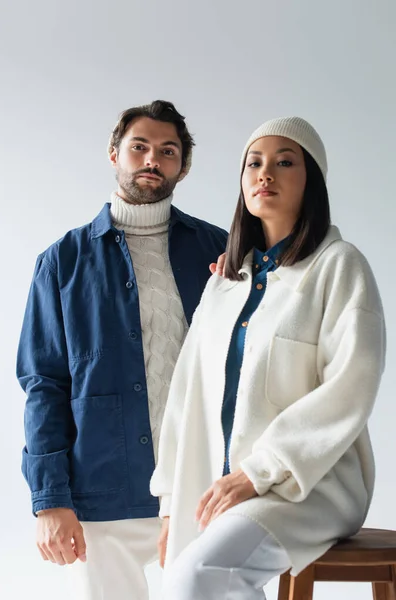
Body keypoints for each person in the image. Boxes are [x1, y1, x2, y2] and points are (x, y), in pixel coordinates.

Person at [150, 116, 386, 599]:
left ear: (311, 180)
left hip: (307, 485)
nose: (265, 174)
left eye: (285, 162)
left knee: (201, 575)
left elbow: (349, 387)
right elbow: (185, 396)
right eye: (254, 163)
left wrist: (258, 472)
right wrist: (171, 505)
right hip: (220, 487)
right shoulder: (225, 282)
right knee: (187, 578)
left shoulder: (340, 267)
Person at [17, 100, 227, 600]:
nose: (152, 159)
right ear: (114, 154)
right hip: (103, 488)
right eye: (139, 147)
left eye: (167, 150)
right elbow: (43, 383)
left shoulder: (219, 250)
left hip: (201, 485)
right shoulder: (63, 262)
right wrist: (49, 499)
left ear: (183, 165)